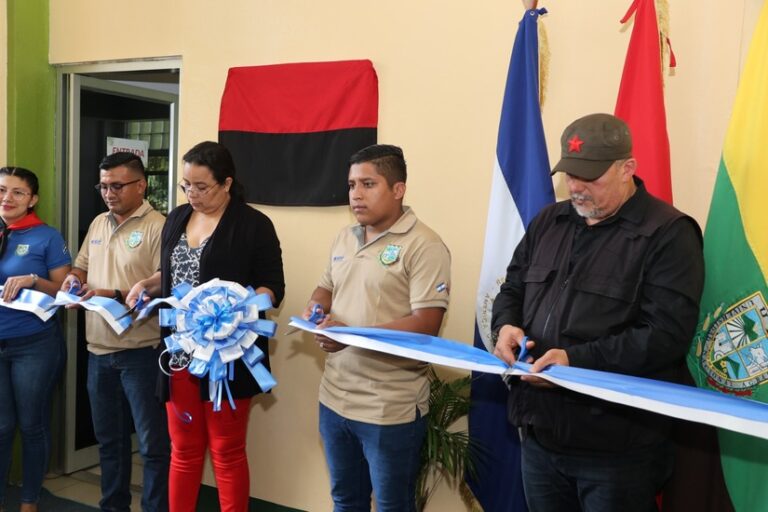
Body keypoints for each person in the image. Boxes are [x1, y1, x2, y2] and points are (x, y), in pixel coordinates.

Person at [490, 113, 705, 512]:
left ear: (627, 169)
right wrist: (505, 326)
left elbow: (666, 335)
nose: (576, 187)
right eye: (570, 175)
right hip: (540, 433)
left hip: (617, 448)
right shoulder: (549, 222)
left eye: (590, 177)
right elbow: (513, 288)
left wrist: (575, 361)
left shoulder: (668, 233)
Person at [126, 141, 285, 512]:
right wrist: (146, 284)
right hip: (179, 353)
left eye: (201, 187)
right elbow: (173, 273)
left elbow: (272, 288)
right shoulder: (177, 218)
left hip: (227, 355)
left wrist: (237, 311)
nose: (192, 195)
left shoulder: (254, 224)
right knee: (183, 450)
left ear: (226, 183)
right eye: (186, 186)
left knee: (227, 451)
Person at [303, 144, 451, 512]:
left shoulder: (425, 245)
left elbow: (426, 324)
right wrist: (315, 307)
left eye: (368, 184)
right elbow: (326, 287)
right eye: (352, 184)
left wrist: (349, 336)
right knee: (345, 501)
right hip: (334, 398)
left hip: (388, 408)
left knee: (391, 506)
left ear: (398, 189)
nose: (356, 194)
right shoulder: (345, 236)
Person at [60, 152, 169, 512]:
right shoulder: (97, 223)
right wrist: (74, 281)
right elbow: (80, 266)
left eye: (117, 186)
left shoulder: (160, 227)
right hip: (98, 351)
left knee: (153, 446)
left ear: (142, 185)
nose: (109, 193)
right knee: (110, 443)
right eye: (104, 186)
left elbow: (165, 286)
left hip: (142, 352)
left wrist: (115, 294)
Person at [0, 167, 71, 512]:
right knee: (1, 426)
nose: (7, 198)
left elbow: (65, 291)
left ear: (33, 200)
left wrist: (33, 280)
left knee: (31, 425)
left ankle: (29, 501)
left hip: (34, 345)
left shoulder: (47, 237)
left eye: (17, 192)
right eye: (2, 190)